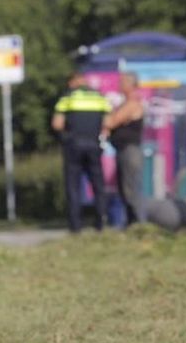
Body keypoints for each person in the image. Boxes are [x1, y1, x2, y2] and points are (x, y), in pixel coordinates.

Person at [51, 72, 112, 232]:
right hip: (94, 145)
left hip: (73, 146)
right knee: (98, 185)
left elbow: (57, 124)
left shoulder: (68, 98)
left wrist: (68, 134)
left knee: (73, 186)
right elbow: (107, 124)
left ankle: (75, 226)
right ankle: (101, 223)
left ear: (73, 82)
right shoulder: (99, 97)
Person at [104, 73, 146, 225]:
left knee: (131, 189)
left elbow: (111, 122)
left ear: (131, 85)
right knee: (124, 189)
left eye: (123, 82)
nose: (120, 85)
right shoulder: (125, 104)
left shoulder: (132, 104)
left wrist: (105, 118)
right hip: (123, 150)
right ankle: (131, 223)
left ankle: (139, 224)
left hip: (130, 151)